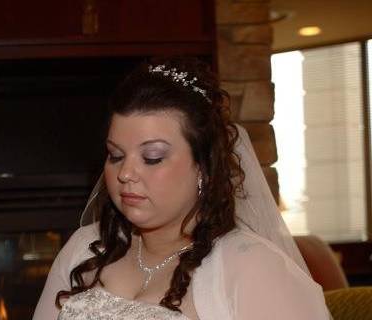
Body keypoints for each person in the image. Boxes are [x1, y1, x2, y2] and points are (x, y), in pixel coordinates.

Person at [33, 57, 331, 320]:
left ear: (202, 166)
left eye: (152, 158)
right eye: (116, 155)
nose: (125, 173)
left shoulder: (252, 267)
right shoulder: (84, 248)